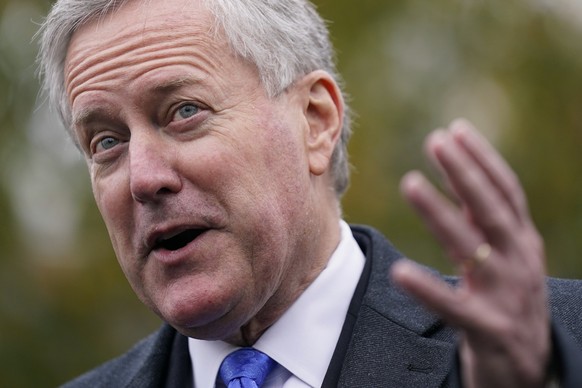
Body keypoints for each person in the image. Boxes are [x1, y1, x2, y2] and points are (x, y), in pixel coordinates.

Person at [37, 0, 582, 387]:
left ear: (315, 121)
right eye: (107, 141)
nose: (143, 177)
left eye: (184, 112)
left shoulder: (557, 344)